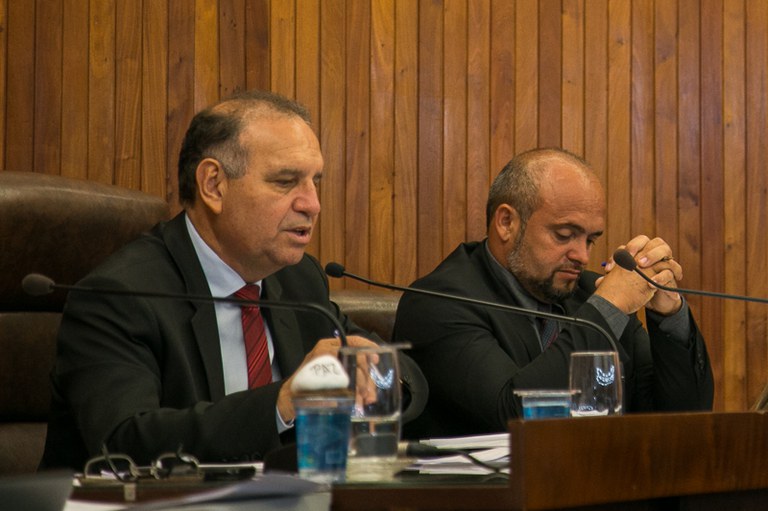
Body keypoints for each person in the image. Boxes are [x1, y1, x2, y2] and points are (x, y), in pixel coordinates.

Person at [40, 90, 424, 470]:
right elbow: (124, 441)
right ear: (214, 185)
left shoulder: (298, 279)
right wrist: (282, 402)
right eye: (286, 181)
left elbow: (405, 375)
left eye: (315, 182)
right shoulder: (120, 294)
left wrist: (380, 376)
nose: (312, 204)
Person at [393, 148, 713, 438]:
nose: (582, 256)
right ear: (506, 222)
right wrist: (610, 306)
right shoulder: (437, 303)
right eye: (564, 235)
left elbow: (682, 421)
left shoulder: (590, 294)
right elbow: (515, 416)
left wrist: (669, 315)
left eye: (590, 240)